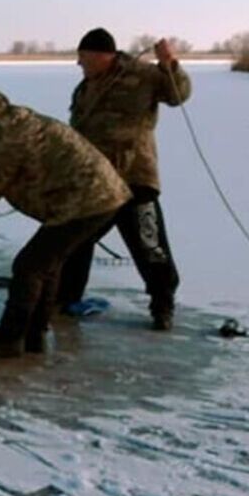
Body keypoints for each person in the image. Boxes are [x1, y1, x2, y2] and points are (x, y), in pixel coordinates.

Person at [0, 87, 132, 358]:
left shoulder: (6, 136)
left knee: (29, 266)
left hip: (87, 199)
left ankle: (10, 337)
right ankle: (35, 333)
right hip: (98, 196)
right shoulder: (16, 122)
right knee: (47, 264)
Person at [58, 27, 191, 330]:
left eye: (83, 57)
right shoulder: (84, 89)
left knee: (150, 245)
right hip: (95, 183)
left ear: (102, 55)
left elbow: (177, 94)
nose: (79, 64)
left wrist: (170, 64)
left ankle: (162, 306)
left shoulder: (142, 76)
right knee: (75, 240)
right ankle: (66, 299)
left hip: (135, 179)